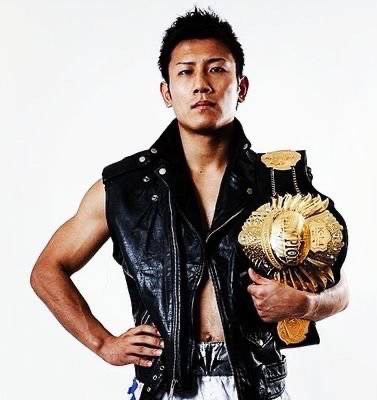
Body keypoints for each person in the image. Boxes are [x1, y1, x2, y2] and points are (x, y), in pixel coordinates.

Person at [30, 6, 349, 400]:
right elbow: (47, 270)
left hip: (255, 386)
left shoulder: (280, 183)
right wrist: (103, 344)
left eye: (216, 69)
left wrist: (305, 303)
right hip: (165, 386)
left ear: (241, 87)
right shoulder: (124, 188)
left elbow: (340, 290)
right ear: (167, 92)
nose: (201, 85)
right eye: (185, 72)